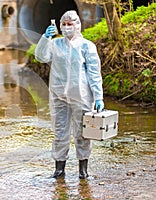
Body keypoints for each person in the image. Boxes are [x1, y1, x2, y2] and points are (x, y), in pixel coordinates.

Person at [35, 10, 104, 179]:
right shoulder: (55, 44)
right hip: (58, 95)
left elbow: (94, 73)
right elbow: (40, 57)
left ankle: (83, 169)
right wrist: (45, 38)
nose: (66, 27)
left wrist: (98, 96)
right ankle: (59, 169)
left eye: (70, 24)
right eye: (64, 24)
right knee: (60, 132)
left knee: (82, 133)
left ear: (77, 25)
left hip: (81, 96)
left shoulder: (87, 46)